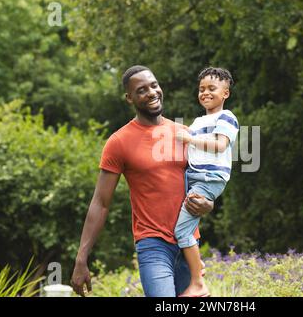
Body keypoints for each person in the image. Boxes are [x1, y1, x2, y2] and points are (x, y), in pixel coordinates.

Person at [70, 65, 214, 297]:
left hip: (189, 244)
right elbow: (100, 202)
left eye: (154, 85)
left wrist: (208, 204)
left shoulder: (185, 133)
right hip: (153, 245)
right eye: (141, 90)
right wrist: (81, 258)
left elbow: (204, 184)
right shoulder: (119, 142)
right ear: (129, 98)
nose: (151, 92)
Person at [174, 67, 239, 297]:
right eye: (201, 89)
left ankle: (197, 282)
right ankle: (196, 263)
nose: (205, 93)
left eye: (212, 88)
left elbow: (221, 145)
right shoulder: (199, 121)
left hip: (209, 179)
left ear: (225, 94)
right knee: (183, 225)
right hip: (193, 176)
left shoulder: (226, 117)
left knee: (181, 231)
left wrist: (190, 138)